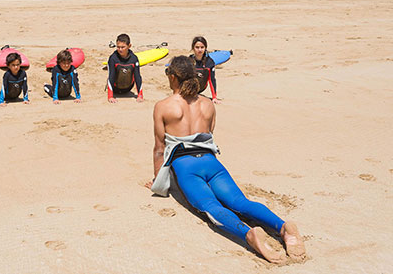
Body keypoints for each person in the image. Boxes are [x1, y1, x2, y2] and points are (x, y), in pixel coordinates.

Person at [146, 56, 305, 264]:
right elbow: (209, 133)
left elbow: (160, 148)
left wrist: (159, 182)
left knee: (210, 206)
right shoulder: (208, 104)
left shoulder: (163, 106)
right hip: (211, 162)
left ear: (173, 77)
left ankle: (248, 234)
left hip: (186, 166)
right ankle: (283, 227)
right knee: (240, 202)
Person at [106, 33, 143, 103]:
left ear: (129, 46)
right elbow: (111, 76)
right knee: (120, 70)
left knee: (128, 69)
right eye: (118, 47)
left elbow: (137, 76)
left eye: (123, 47)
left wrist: (140, 95)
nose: (120, 49)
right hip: (115, 89)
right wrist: (110, 96)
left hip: (128, 88)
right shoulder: (113, 58)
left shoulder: (134, 58)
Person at [190, 36, 220, 104]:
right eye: (197, 47)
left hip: (201, 88)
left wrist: (214, 97)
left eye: (202, 47)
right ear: (193, 48)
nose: (200, 50)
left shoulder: (209, 62)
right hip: (189, 89)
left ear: (205, 48)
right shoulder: (189, 61)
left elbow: (212, 79)